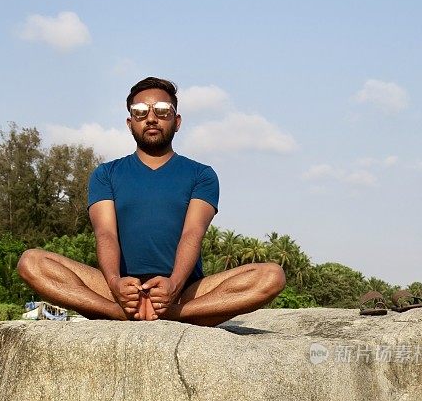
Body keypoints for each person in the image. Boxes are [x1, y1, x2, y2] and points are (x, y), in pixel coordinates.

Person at [17, 77, 285, 326]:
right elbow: (106, 234)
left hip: (184, 292)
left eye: (162, 111)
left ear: (177, 121)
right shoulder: (106, 174)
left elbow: (192, 233)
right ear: (130, 122)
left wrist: (173, 286)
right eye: (141, 113)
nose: (152, 119)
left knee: (272, 276)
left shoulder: (201, 174)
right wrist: (115, 284)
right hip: (119, 291)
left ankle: (172, 314)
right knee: (31, 262)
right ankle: (117, 313)